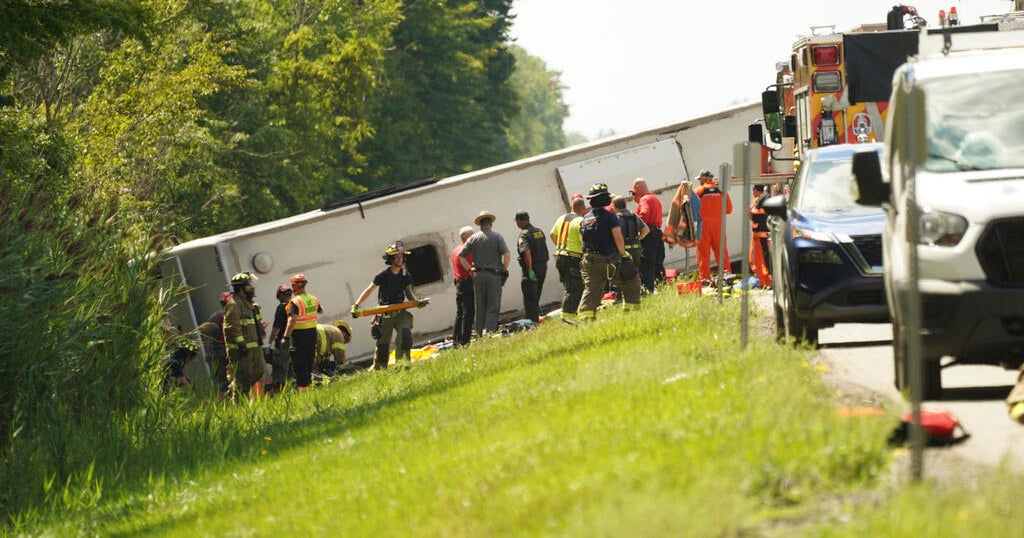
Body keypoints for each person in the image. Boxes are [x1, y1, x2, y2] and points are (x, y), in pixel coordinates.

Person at [352, 242, 426, 369]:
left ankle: (403, 366)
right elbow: (369, 290)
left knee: (405, 336)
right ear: (391, 259)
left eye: (401, 257)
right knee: (383, 344)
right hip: (384, 314)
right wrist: (356, 305)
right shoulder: (383, 276)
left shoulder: (405, 275)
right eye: (396, 257)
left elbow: (409, 293)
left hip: (401, 312)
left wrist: (416, 302)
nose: (399, 259)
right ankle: (380, 369)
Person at [577, 183, 642, 320]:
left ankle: (585, 320)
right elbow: (618, 237)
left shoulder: (586, 219)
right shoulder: (610, 217)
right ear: (604, 199)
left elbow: (582, 239)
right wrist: (623, 254)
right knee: (631, 280)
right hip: (608, 260)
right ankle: (631, 314)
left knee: (592, 289)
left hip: (588, 261)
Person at [458, 211, 511, 336]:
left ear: (480, 225)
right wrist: (504, 268)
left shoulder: (473, 238)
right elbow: (507, 254)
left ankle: (479, 333)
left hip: (478, 276)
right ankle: (490, 333)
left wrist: (469, 270)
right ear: (491, 224)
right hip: (493, 275)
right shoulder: (497, 237)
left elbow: (461, 256)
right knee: (493, 305)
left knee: (480, 305)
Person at [223, 272, 267, 400]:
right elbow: (233, 327)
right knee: (243, 379)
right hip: (242, 350)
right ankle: (237, 404)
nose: (252, 288)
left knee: (259, 371)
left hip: (254, 347)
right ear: (241, 288)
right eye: (249, 285)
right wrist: (241, 345)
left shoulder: (248, 304)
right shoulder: (234, 304)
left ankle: (235, 388)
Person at [550, 194, 587, 323]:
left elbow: (552, 234)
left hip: (560, 257)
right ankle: (568, 315)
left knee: (568, 286)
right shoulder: (580, 221)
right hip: (572, 258)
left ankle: (571, 313)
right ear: (583, 208)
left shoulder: (561, 218)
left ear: (571, 207)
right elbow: (583, 241)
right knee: (576, 287)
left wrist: (560, 247)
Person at [282, 273, 322, 389]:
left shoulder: (295, 302)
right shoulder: (313, 299)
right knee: (309, 363)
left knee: (300, 365)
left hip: (299, 336)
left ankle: (304, 391)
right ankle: (309, 388)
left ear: (294, 286)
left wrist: (285, 337)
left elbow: (292, 319)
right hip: (312, 334)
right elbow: (321, 311)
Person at [693, 169, 733, 282]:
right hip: (718, 227)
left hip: (703, 228)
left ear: (704, 179)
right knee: (721, 252)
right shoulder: (722, 191)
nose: (699, 181)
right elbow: (729, 209)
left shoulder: (698, 191)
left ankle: (705, 279)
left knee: (703, 255)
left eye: (700, 179)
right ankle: (727, 277)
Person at [514, 210, 550, 323]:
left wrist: (529, 270)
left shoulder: (524, 234)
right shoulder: (539, 231)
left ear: (519, 221)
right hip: (542, 267)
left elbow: (526, 252)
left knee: (530, 297)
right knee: (536, 294)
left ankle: (532, 323)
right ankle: (535, 319)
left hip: (532, 268)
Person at [630, 178, 664, 292]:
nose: (633, 196)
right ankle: (662, 285)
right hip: (657, 233)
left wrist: (636, 227)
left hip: (649, 235)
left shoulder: (644, 199)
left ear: (638, 188)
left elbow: (644, 214)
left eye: (634, 193)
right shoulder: (654, 198)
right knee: (658, 262)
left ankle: (648, 289)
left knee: (647, 263)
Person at [266, 284, 294, 391]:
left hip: (283, 343)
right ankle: (291, 392)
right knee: (290, 371)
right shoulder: (294, 306)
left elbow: (276, 328)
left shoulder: (281, 307)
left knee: (279, 371)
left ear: (280, 296)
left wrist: (270, 342)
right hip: (294, 342)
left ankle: (280, 396)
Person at [451, 226, 476, 346]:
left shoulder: (455, 250)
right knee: (468, 312)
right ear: (467, 237)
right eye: (472, 235)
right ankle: (465, 341)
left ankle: (456, 340)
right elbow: (472, 266)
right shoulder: (467, 250)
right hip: (467, 282)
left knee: (460, 313)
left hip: (459, 282)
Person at [207, 291, 232, 394]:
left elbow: (209, 337)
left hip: (219, 351)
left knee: (221, 378)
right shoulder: (236, 314)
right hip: (233, 350)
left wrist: (209, 352)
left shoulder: (215, 317)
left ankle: (225, 398)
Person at [664, 179, 700, 249]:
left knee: (703, 253)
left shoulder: (683, 198)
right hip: (697, 224)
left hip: (685, 229)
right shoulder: (695, 196)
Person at [613, 195, 649, 266]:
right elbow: (646, 230)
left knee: (624, 273)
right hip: (636, 249)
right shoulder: (634, 216)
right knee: (635, 272)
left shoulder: (616, 218)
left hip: (623, 251)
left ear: (614, 206)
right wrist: (638, 238)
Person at [749, 184, 772, 288]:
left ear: (755, 190)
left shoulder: (757, 201)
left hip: (758, 235)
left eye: (753, 190)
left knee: (758, 260)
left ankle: (764, 281)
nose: (753, 193)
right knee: (763, 259)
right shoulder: (765, 200)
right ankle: (766, 281)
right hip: (762, 234)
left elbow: (751, 214)